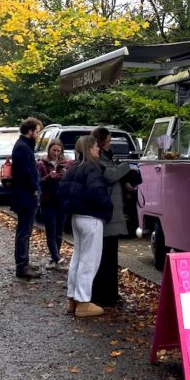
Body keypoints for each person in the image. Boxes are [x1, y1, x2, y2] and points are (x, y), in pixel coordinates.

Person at [59, 135, 113, 318]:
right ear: (90, 148)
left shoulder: (73, 168)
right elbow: (97, 193)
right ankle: (83, 302)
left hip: (76, 217)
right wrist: (108, 206)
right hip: (91, 218)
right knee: (89, 260)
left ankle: (72, 300)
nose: (99, 149)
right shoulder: (92, 168)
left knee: (78, 258)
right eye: (96, 147)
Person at [91, 127, 132, 307]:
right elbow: (110, 176)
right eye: (107, 141)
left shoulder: (105, 157)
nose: (110, 144)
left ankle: (110, 293)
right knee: (105, 256)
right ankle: (105, 295)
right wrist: (126, 166)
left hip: (111, 214)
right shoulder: (99, 160)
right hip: (108, 215)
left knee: (109, 255)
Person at [10, 117, 43, 280]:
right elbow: (26, 173)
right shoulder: (23, 147)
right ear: (29, 132)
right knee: (24, 231)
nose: (38, 135)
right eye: (37, 132)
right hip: (25, 197)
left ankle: (24, 263)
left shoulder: (23, 146)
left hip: (25, 195)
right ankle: (22, 266)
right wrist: (34, 190)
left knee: (25, 231)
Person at [37, 140, 68, 270]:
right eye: (53, 150)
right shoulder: (41, 164)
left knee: (59, 232)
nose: (56, 153)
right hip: (48, 200)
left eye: (58, 151)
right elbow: (38, 182)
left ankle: (55, 257)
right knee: (51, 230)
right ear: (49, 149)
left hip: (61, 200)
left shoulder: (65, 163)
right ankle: (56, 257)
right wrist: (49, 176)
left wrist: (64, 175)